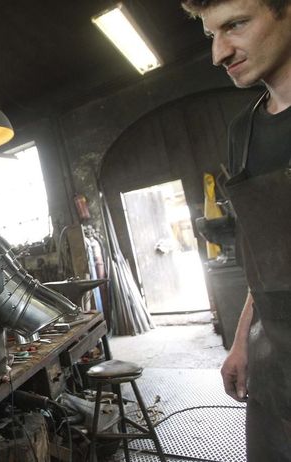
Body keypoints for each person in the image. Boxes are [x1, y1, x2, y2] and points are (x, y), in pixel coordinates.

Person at [181, 0, 291, 459]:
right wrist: (243, 339)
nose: (218, 53)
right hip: (279, 355)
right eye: (211, 35)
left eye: (236, 25)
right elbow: (261, 253)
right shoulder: (242, 133)